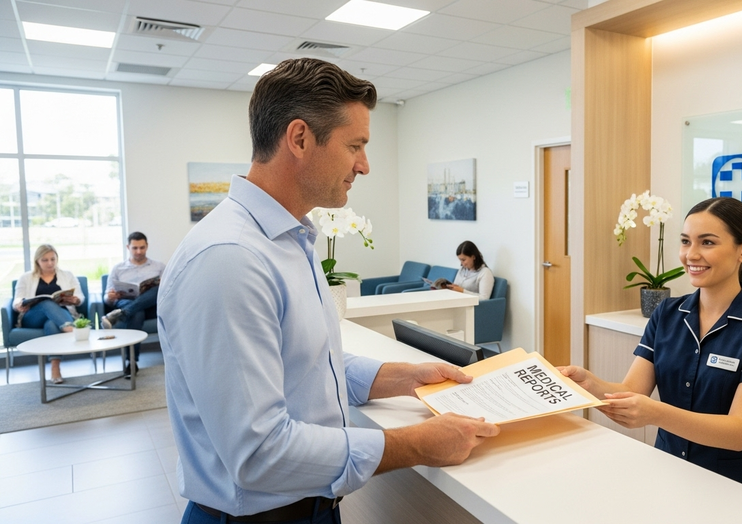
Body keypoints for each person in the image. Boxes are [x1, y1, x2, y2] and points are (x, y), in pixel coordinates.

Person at [158, 58, 499, 524]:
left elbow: (304, 362)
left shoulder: (289, 240)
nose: (365, 165)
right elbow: (259, 454)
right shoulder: (230, 258)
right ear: (299, 138)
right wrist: (417, 444)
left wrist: (400, 376)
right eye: (354, 146)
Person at [559, 197, 742, 497]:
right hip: (668, 473)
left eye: (707, 242)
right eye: (685, 241)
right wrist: (590, 384)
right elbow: (634, 391)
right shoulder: (667, 313)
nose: (691, 254)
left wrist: (656, 413)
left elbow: (739, 431)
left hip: (734, 489)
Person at [13, 244, 84, 384]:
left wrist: (75, 300)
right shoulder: (26, 277)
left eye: (53, 259)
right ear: (37, 261)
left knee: (51, 323)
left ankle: (55, 368)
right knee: (46, 302)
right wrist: (19, 304)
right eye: (45, 260)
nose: (50, 263)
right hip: (33, 317)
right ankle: (69, 328)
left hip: (60, 315)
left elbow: (80, 297)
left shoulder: (67, 275)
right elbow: (16, 299)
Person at [101, 231, 165, 377]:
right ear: (128, 247)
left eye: (142, 248)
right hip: (125, 301)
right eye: (135, 248)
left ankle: (120, 315)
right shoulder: (118, 269)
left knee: (157, 289)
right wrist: (110, 297)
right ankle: (132, 361)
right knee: (137, 312)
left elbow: (169, 291)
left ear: (147, 246)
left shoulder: (159, 267)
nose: (139, 251)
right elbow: (106, 297)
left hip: (151, 306)